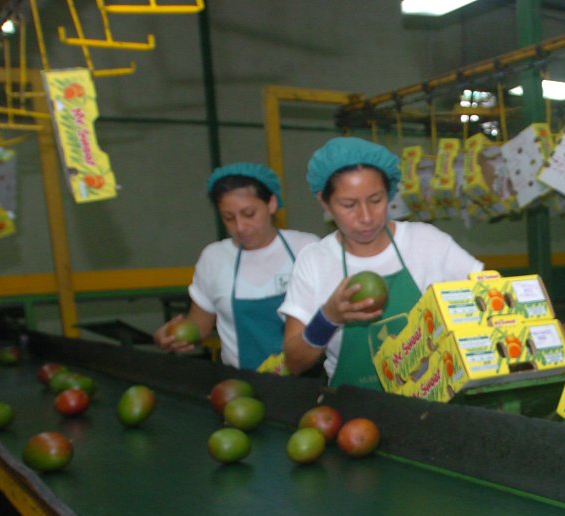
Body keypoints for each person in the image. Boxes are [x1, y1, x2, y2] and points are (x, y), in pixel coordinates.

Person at [279, 137, 483, 389]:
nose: (366, 217)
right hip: (352, 414)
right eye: (349, 205)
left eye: (376, 200)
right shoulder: (314, 261)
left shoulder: (428, 243)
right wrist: (328, 317)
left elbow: (488, 293)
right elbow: (294, 362)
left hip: (431, 406)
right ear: (324, 202)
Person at [154, 163, 318, 372]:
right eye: (229, 218)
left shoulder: (305, 249)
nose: (240, 227)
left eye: (249, 214)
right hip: (243, 386)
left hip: (308, 379)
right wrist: (171, 335)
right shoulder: (214, 258)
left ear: (271, 203)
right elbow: (199, 328)